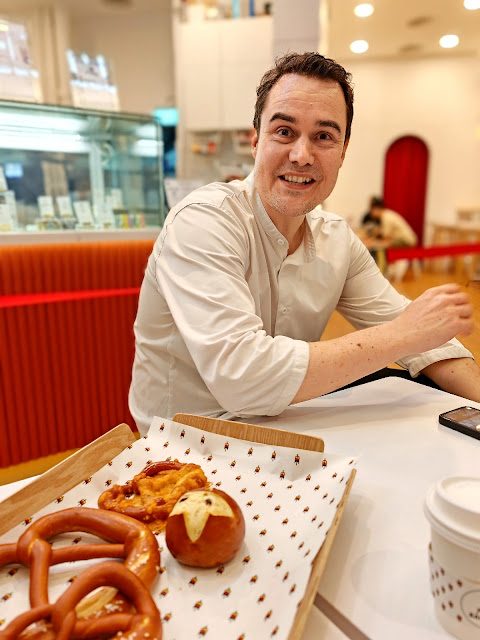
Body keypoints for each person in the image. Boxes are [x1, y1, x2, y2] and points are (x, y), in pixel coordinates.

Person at [129, 52, 480, 436]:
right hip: (183, 445)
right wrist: (403, 334)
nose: (301, 155)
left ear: (343, 152)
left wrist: (422, 339)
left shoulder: (337, 239)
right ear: (256, 140)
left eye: (324, 137)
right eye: (284, 131)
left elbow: (427, 342)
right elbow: (243, 378)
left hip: (286, 424)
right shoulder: (203, 220)